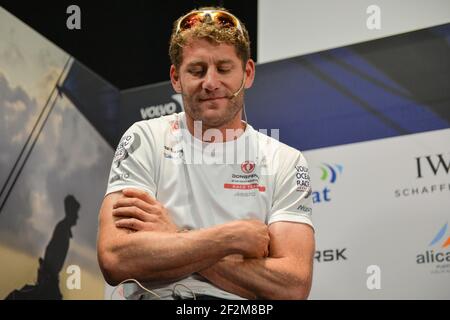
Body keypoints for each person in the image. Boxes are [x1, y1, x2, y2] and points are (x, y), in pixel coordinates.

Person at [97, 7, 315, 300]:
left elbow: (292, 286)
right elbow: (115, 259)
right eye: (197, 70)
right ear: (176, 78)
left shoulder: (284, 161)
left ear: (247, 73)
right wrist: (230, 238)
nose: (211, 82)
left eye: (224, 69)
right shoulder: (145, 138)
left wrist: (175, 238)